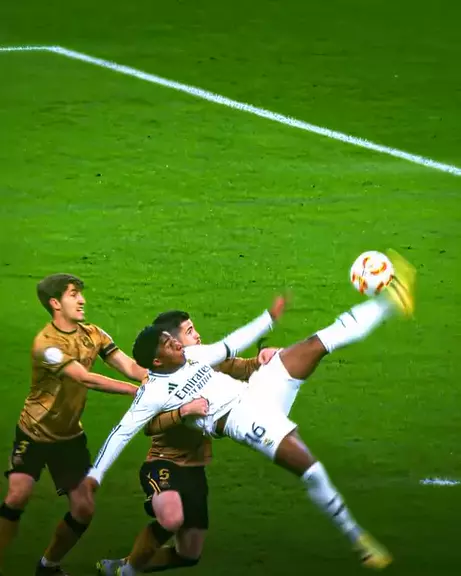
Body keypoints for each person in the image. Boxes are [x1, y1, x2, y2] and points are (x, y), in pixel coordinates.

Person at [86, 249, 415, 574]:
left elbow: (231, 344)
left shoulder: (194, 356)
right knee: (311, 469)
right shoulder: (153, 392)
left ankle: (389, 301)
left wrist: (268, 320)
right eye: (168, 343)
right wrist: (94, 476)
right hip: (243, 420)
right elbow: (121, 433)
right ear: (157, 361)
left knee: (317, 343)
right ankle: (357, 538)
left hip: (258, 392)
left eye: (172, 338)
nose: (176, 343)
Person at [96, 310, 280, 575]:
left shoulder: (202, 362)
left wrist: (265, 359)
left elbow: (242, 367)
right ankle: (128, 571)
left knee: (189, 554)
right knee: (172, 519)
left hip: (195, 466)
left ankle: (123, 565)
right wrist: (183, 411)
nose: (197, 336)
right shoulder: (158, 382)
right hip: (165, 463)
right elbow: (149, 425)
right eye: (189, 332)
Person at [0, 274, 146, 576]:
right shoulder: (46, 345)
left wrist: (157, 380)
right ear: (55, 303)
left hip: (69, 436)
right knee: (17, 495)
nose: (82, 300)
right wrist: (135, 391)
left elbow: (129, 366)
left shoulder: (93, 334)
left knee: (83, 509)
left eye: (80, 294)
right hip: (34, 431)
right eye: (73, 294)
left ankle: (48, 566)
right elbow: (85, 378)